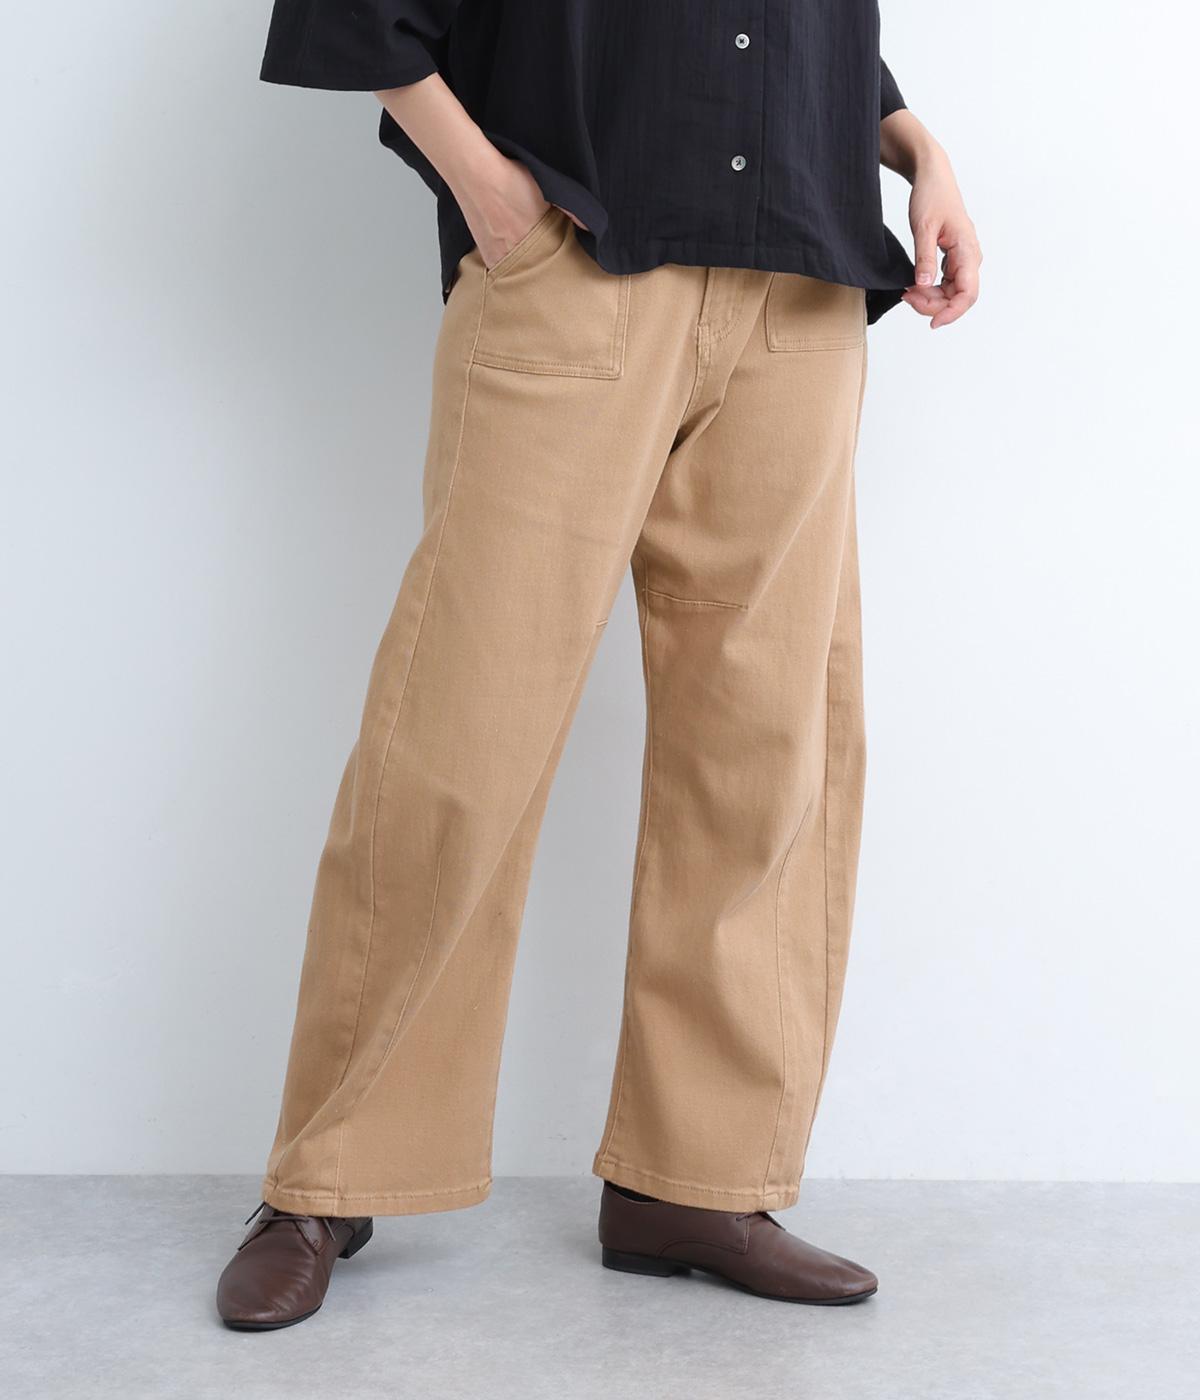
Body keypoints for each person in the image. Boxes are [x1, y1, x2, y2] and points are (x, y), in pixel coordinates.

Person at [217, 0, 981, 1330]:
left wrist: (920, 150)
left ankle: (698, 1182)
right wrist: (489, 194)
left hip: (798, 292)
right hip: (580, 270)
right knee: (460, 743)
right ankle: (330, 1177)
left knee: (763, 763)